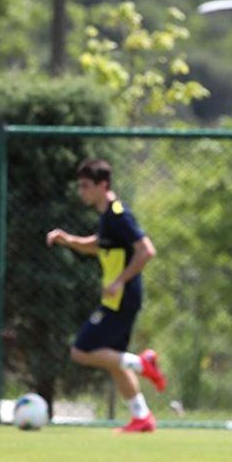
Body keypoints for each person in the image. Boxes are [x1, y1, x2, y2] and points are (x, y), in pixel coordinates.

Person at [46, 159, 167, 433]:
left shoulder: (119, 215)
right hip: (118, 297)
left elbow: (146, 250)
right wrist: (69, 240)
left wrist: (119, 281)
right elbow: (99, 245)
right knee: (114, 360)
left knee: (81, 351)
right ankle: (142, 417)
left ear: (103, 186)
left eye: (86, 186)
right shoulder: (108, 217)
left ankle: (142, 364)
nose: (81, 191)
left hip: (123, 296)